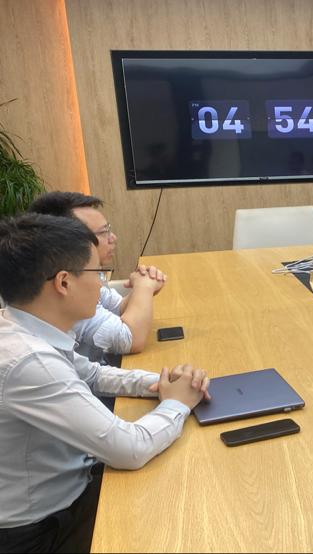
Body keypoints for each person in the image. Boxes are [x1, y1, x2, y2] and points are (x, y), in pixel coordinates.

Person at [0, 213, 209, 553]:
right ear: (63, 283)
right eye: (98, 272)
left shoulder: (21, 325)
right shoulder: (29, 361)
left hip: (70, 486)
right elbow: (129, 449)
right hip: (43, 531)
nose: (102, 285)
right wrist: (177, 403)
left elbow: (93, 374)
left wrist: (166, 382)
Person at [29, 192, 166, 361]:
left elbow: (117, 308)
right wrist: (144, 287)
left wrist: (143, 283)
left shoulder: (87, 272)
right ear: (70, 240)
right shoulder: (63, 288)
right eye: (104, 232)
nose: (113, 238)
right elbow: (130, 339)